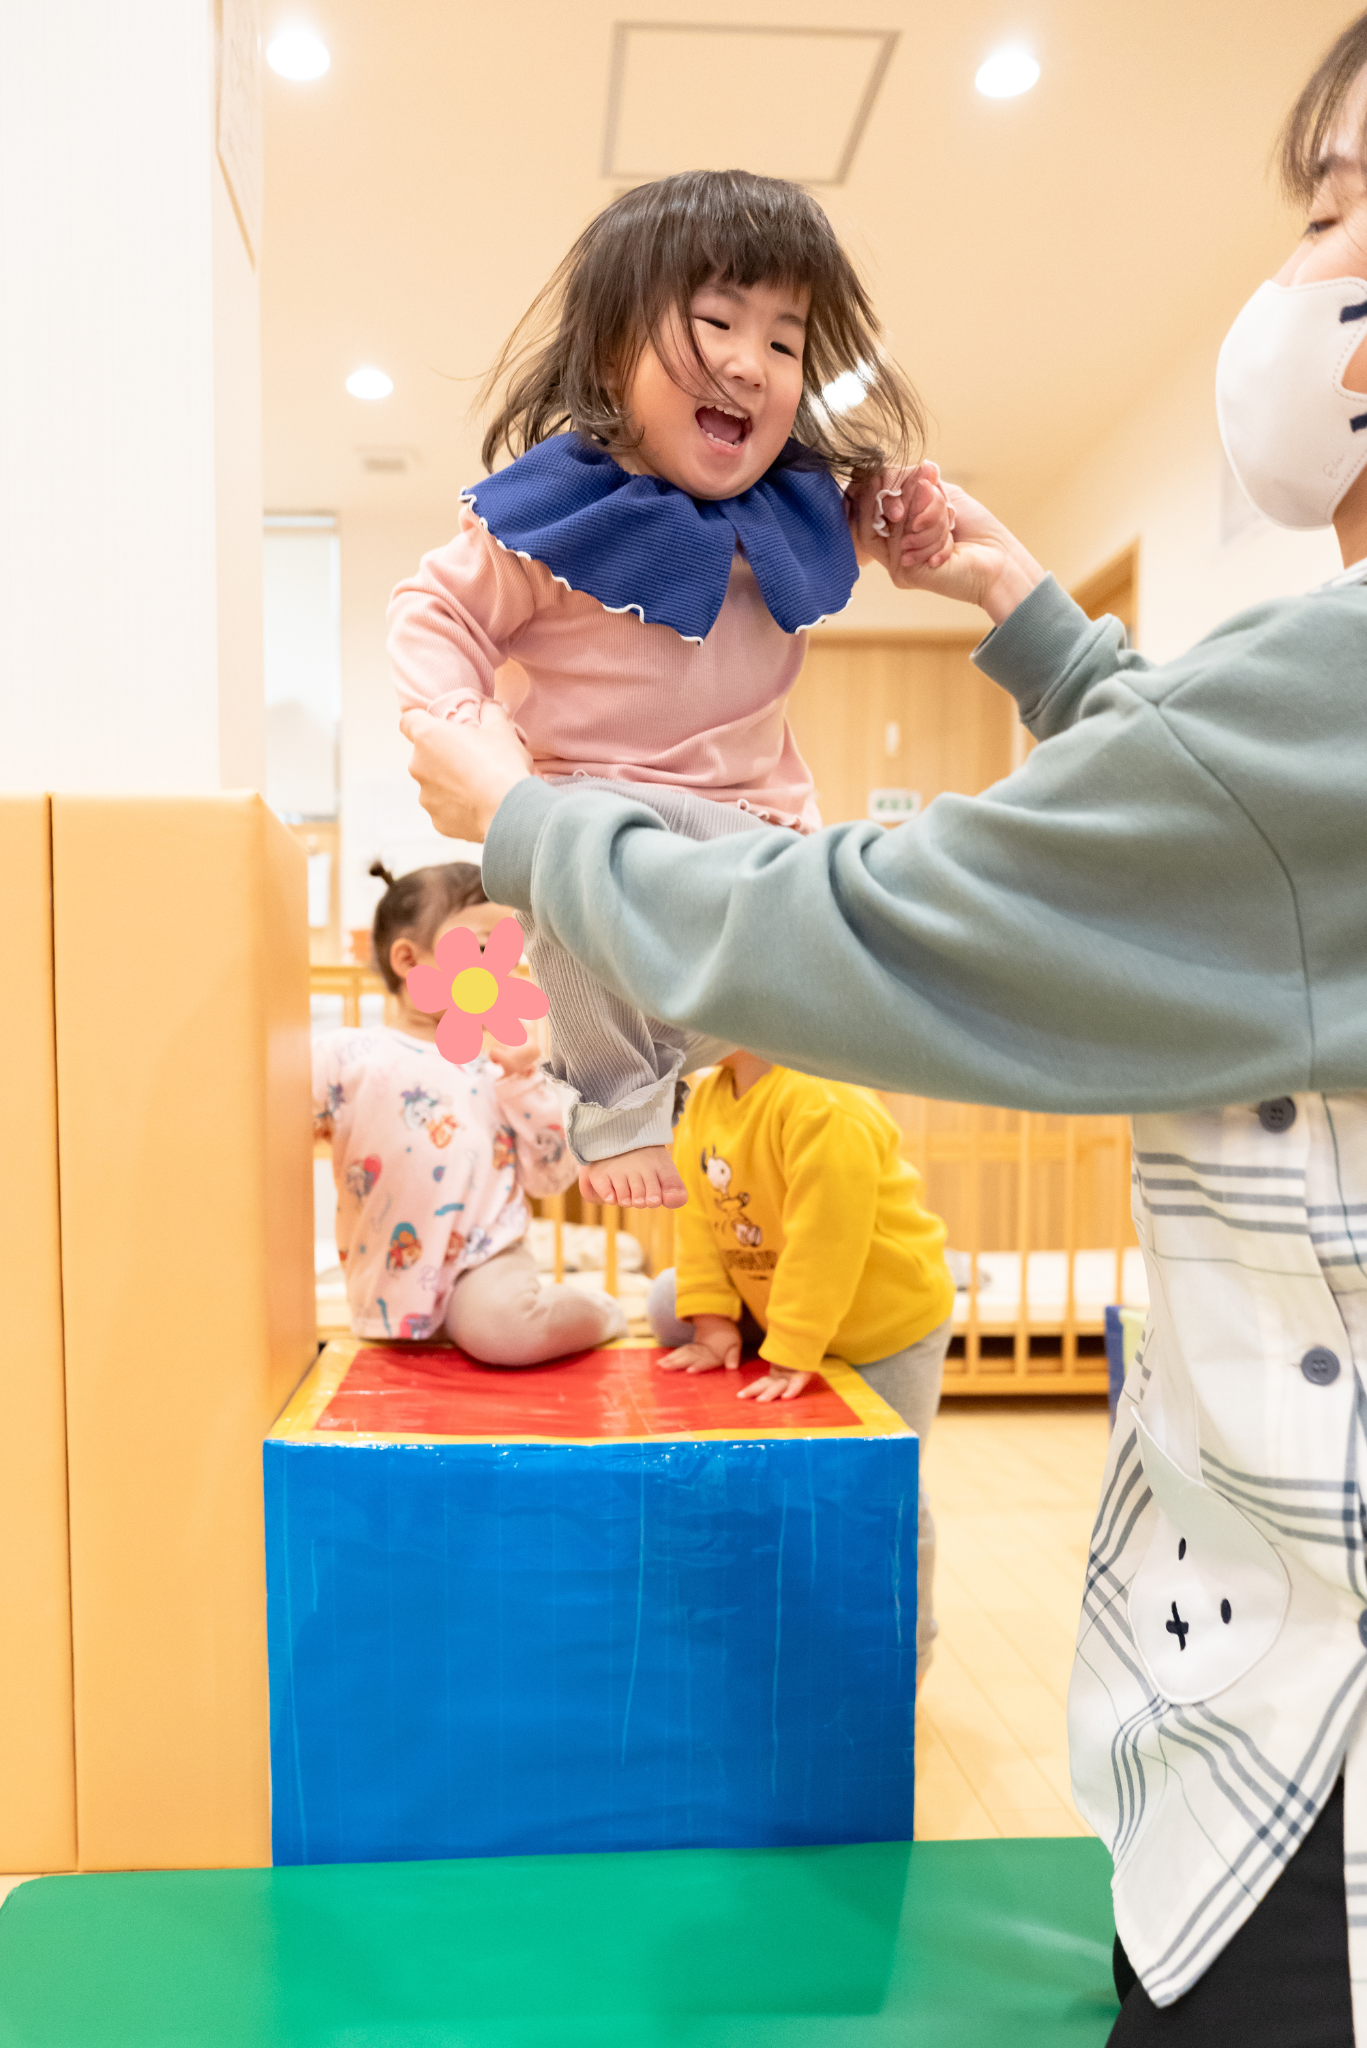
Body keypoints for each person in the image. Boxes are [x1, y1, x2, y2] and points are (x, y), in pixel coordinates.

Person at [397, 21, 1367, 2042]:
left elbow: (863, 928)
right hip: (1237, 1676)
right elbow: (1209, 810)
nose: (1304, 267)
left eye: (1344, 214)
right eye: (1319, 209)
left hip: (1303, 1735)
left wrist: (521, 815)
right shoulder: (1297, 709)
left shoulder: (1321, 700)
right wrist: (1020, 606)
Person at [387, 168, 953, 1214]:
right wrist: (468, 733)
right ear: (613, 349)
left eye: (783, 342)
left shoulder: (791, 509)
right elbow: (434, 611)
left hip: (755, 830)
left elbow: (867, 530)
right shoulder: (558, 515)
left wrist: (898, 526)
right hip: (600, 824)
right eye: (716, 323)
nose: (749, 363)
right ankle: (613, 1103)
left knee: (850, 900)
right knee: (566, 864)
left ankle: (738, 1034)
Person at [648, 1046, 954, 1680]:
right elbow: (699, 1218)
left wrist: (791, 1351)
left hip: (883, 1326)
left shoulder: (824, 1100)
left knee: (888, 1484)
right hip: (784, 1298)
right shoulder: (708, 1098)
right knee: (667, 1298)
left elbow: (827, 1242)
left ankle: (909, 1656)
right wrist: (712, 1323)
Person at [313, 859, 625, 1361]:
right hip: (390, 1265)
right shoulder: (345, 1056)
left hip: (485, 1255)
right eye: (482, 949)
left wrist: (525, 1083)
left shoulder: (500, 1065)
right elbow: (274, 1123)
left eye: (507, 955)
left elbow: (551, 1176)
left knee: (503, 1331)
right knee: (394, 1345)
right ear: (408, 960)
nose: (500, 969)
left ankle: (600, 1311)